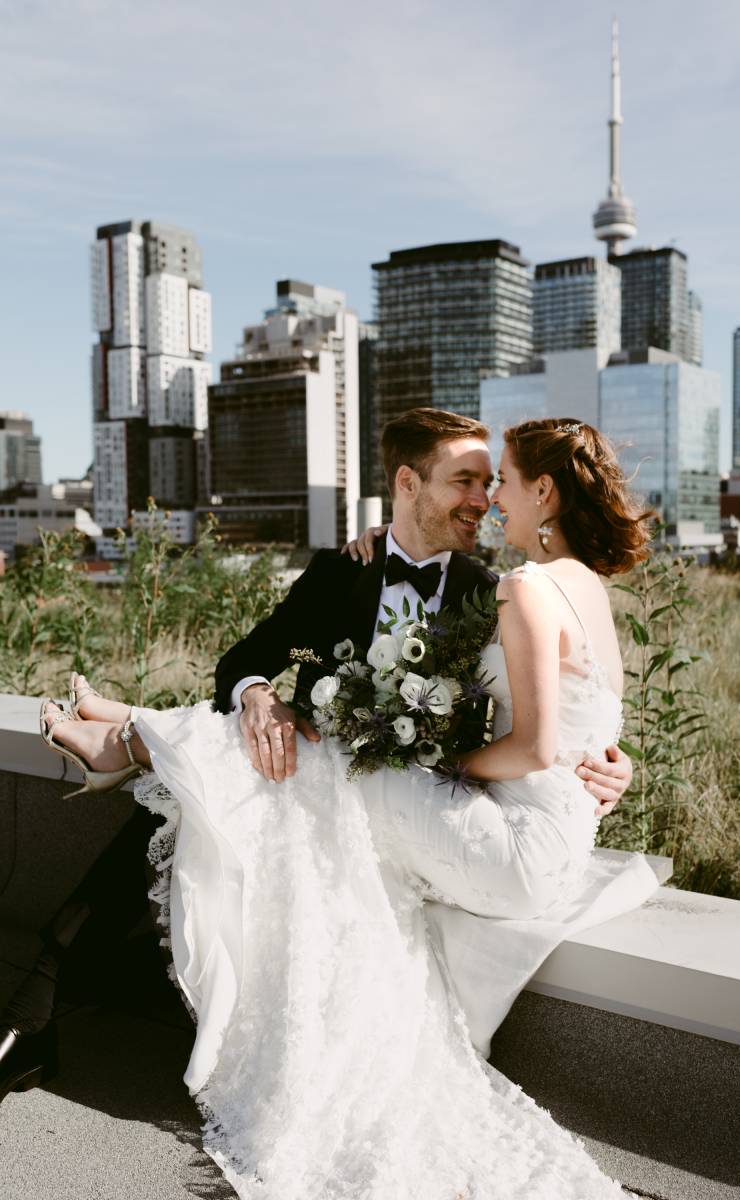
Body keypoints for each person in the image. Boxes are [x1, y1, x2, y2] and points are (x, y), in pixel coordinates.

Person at [20, 411, 657, 1198]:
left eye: (494, 482)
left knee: (289, 773)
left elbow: (541, 725)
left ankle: (124, 743)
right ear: (405, 483)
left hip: (443, 805)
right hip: (404, 795)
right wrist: (257, 698)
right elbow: (244, 662)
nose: (484, 498)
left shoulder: (497, 590)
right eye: (466, 480)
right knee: (240, 771)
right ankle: (48, 977)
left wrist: (603, 765)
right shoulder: (339, 570)